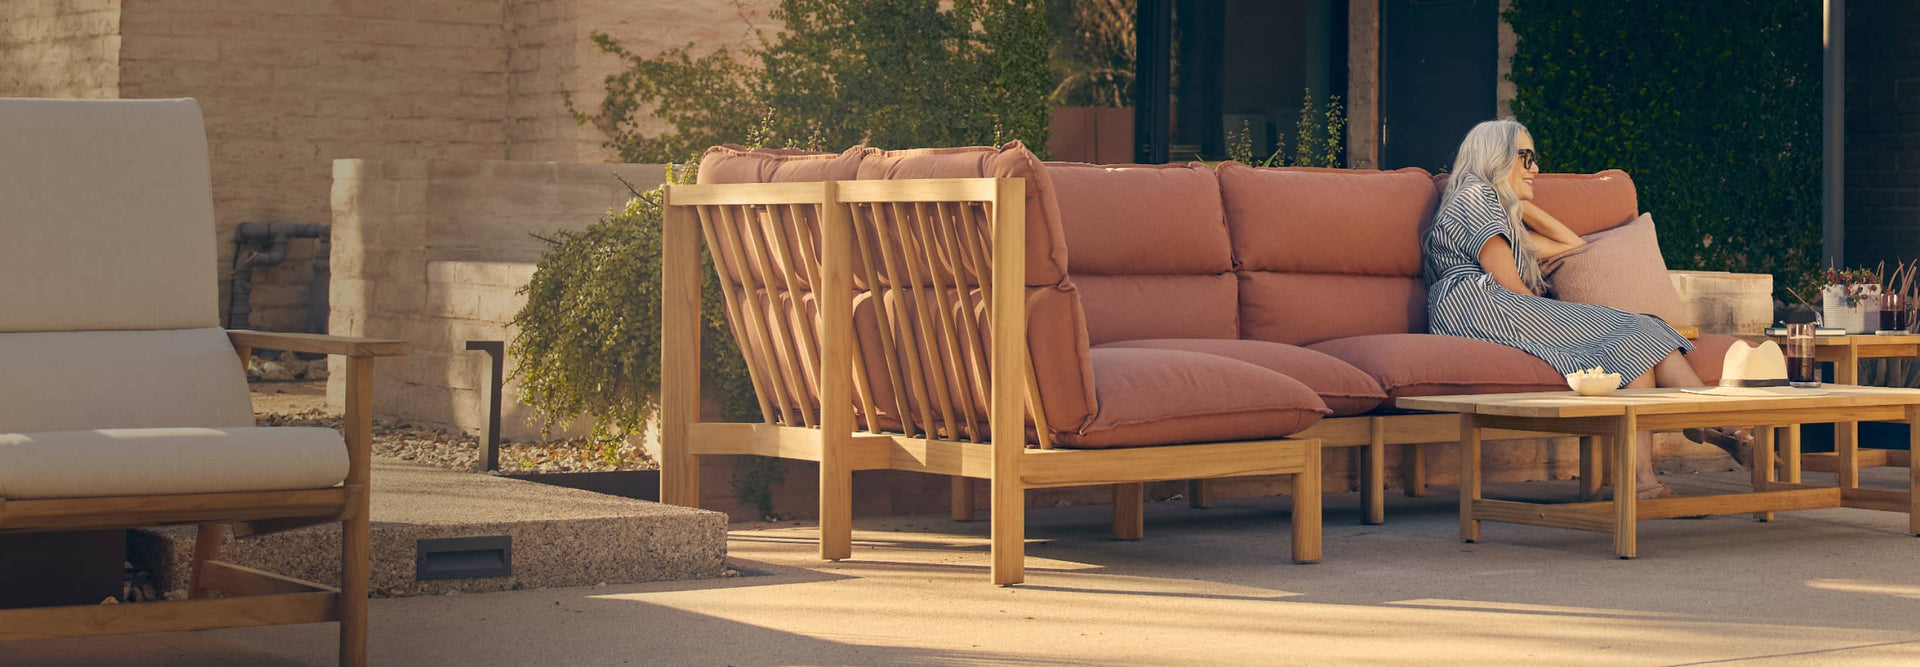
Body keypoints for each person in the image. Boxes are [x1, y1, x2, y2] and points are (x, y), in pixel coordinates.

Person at [1422, 119, 1749, 499]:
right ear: (1495, 157)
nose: (1535, 169)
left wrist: (1521, 202)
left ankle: (1661, 466)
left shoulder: (1499, 211)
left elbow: (1572, 245)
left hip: (1487, 304)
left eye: (1534, 158)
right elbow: (1508, 286)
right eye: (1524, 158)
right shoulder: (1476, 197)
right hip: (1477, 304)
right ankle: (1716, 425)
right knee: (1639, 329)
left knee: (1640, 336)